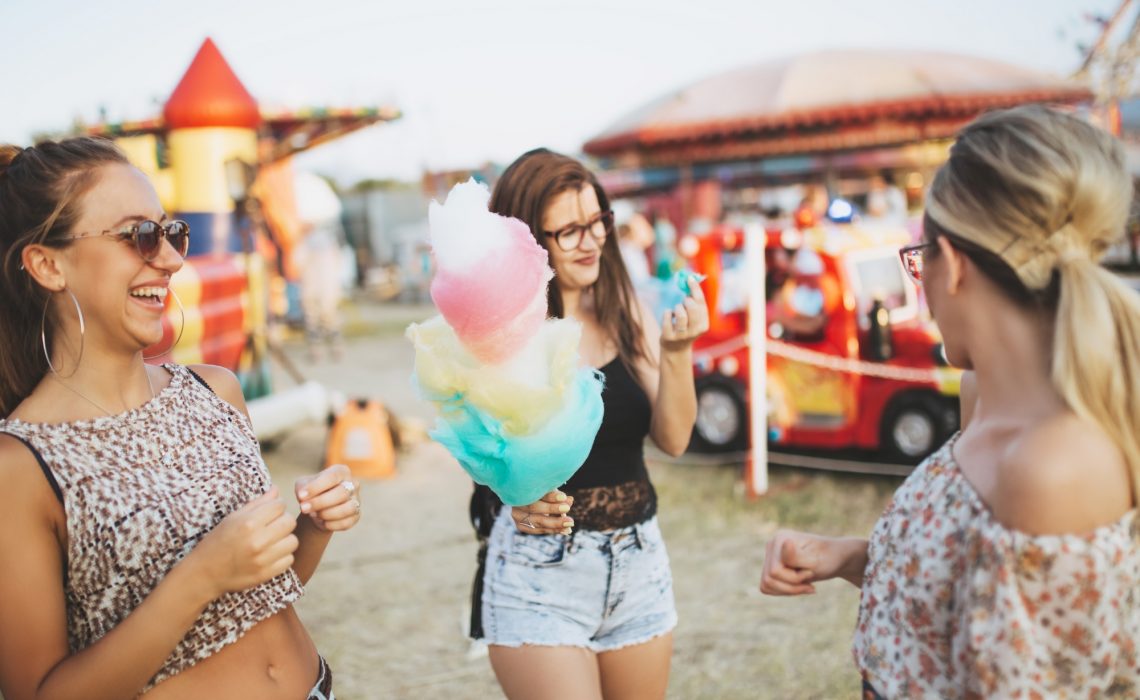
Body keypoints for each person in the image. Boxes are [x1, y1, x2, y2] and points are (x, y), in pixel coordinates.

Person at [760, 105, 1140, 698]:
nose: (922, 283)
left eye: (918, 259)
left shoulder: (1054, 469)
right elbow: (965, 593)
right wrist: (846, 556)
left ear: (953, 264)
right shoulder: (981, 396)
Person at [0, 137, 362, 699]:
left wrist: (312, 527)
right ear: (48, 265)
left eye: (171, 233)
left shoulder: (216, 390)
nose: (170, 258)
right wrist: (197, 578)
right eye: (139, 236)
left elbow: (259, 597)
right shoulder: (20, 463)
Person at [469, 148, 708, 700]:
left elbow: (674, 440)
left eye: (598, 220)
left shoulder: (627, 315)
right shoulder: (498, 339)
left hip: (639, 566)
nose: (592, 239)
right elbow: (479, 454)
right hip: (538, 580)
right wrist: (512, 493)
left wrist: (676, 352)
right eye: (570, 229)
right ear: (528, 239)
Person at [292, 169, 347, 362]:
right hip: (311, 270)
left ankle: (335, 345)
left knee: (328, 309)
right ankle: (316, 348)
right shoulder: (305, 242)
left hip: (324, 269)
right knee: (311, 308)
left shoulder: (326, 240)